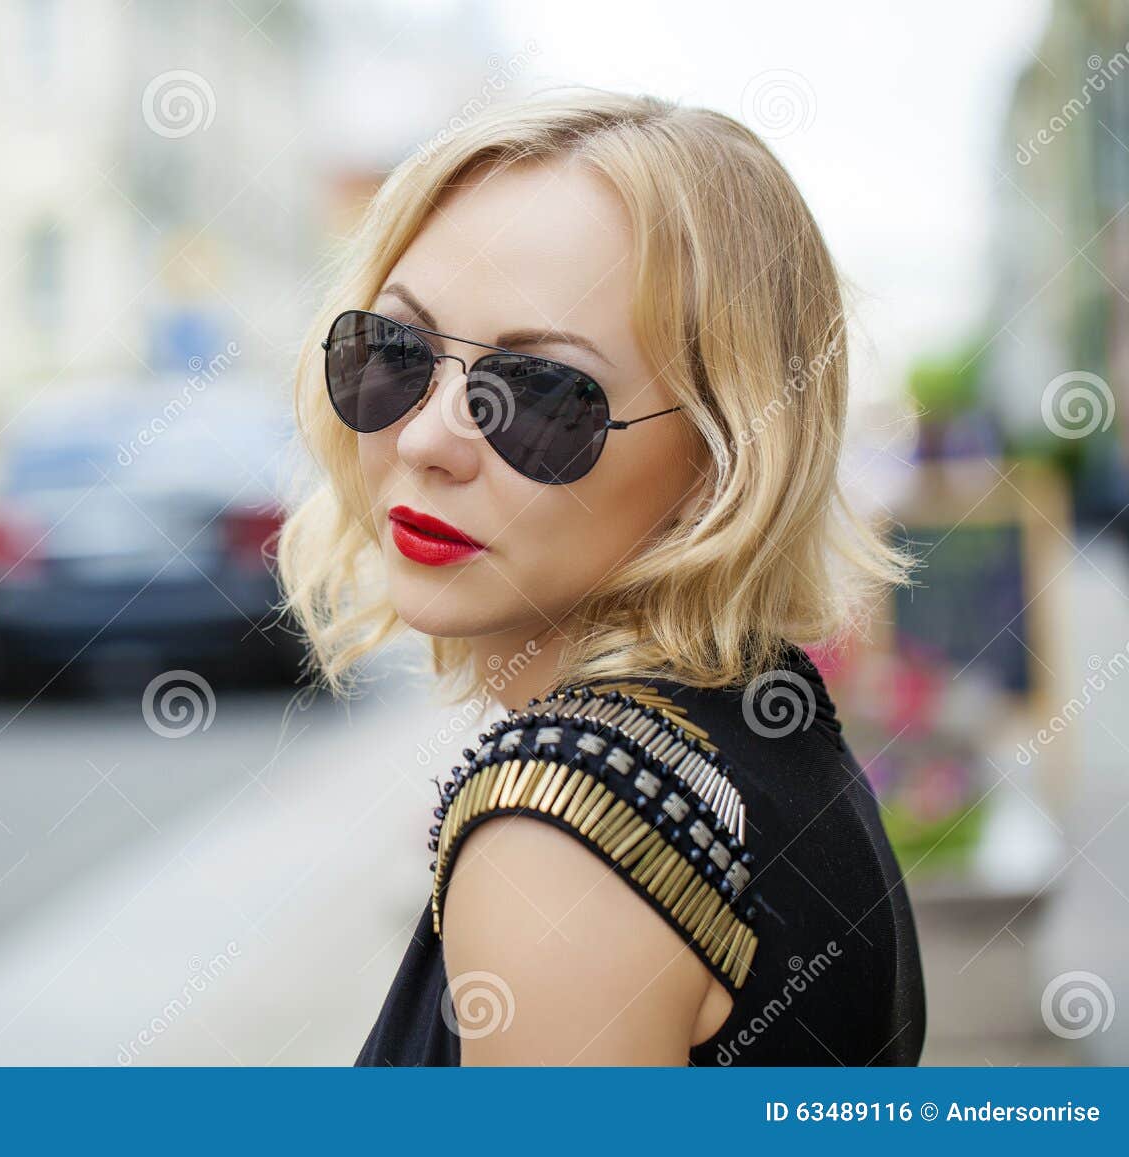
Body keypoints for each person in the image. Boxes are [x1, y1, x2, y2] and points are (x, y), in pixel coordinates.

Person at [276, 89, 926, 1066]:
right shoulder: (771, 736)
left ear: (725, 454)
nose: (422, 439)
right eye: (396, 352)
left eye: (541, 394)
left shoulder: (561, 841)